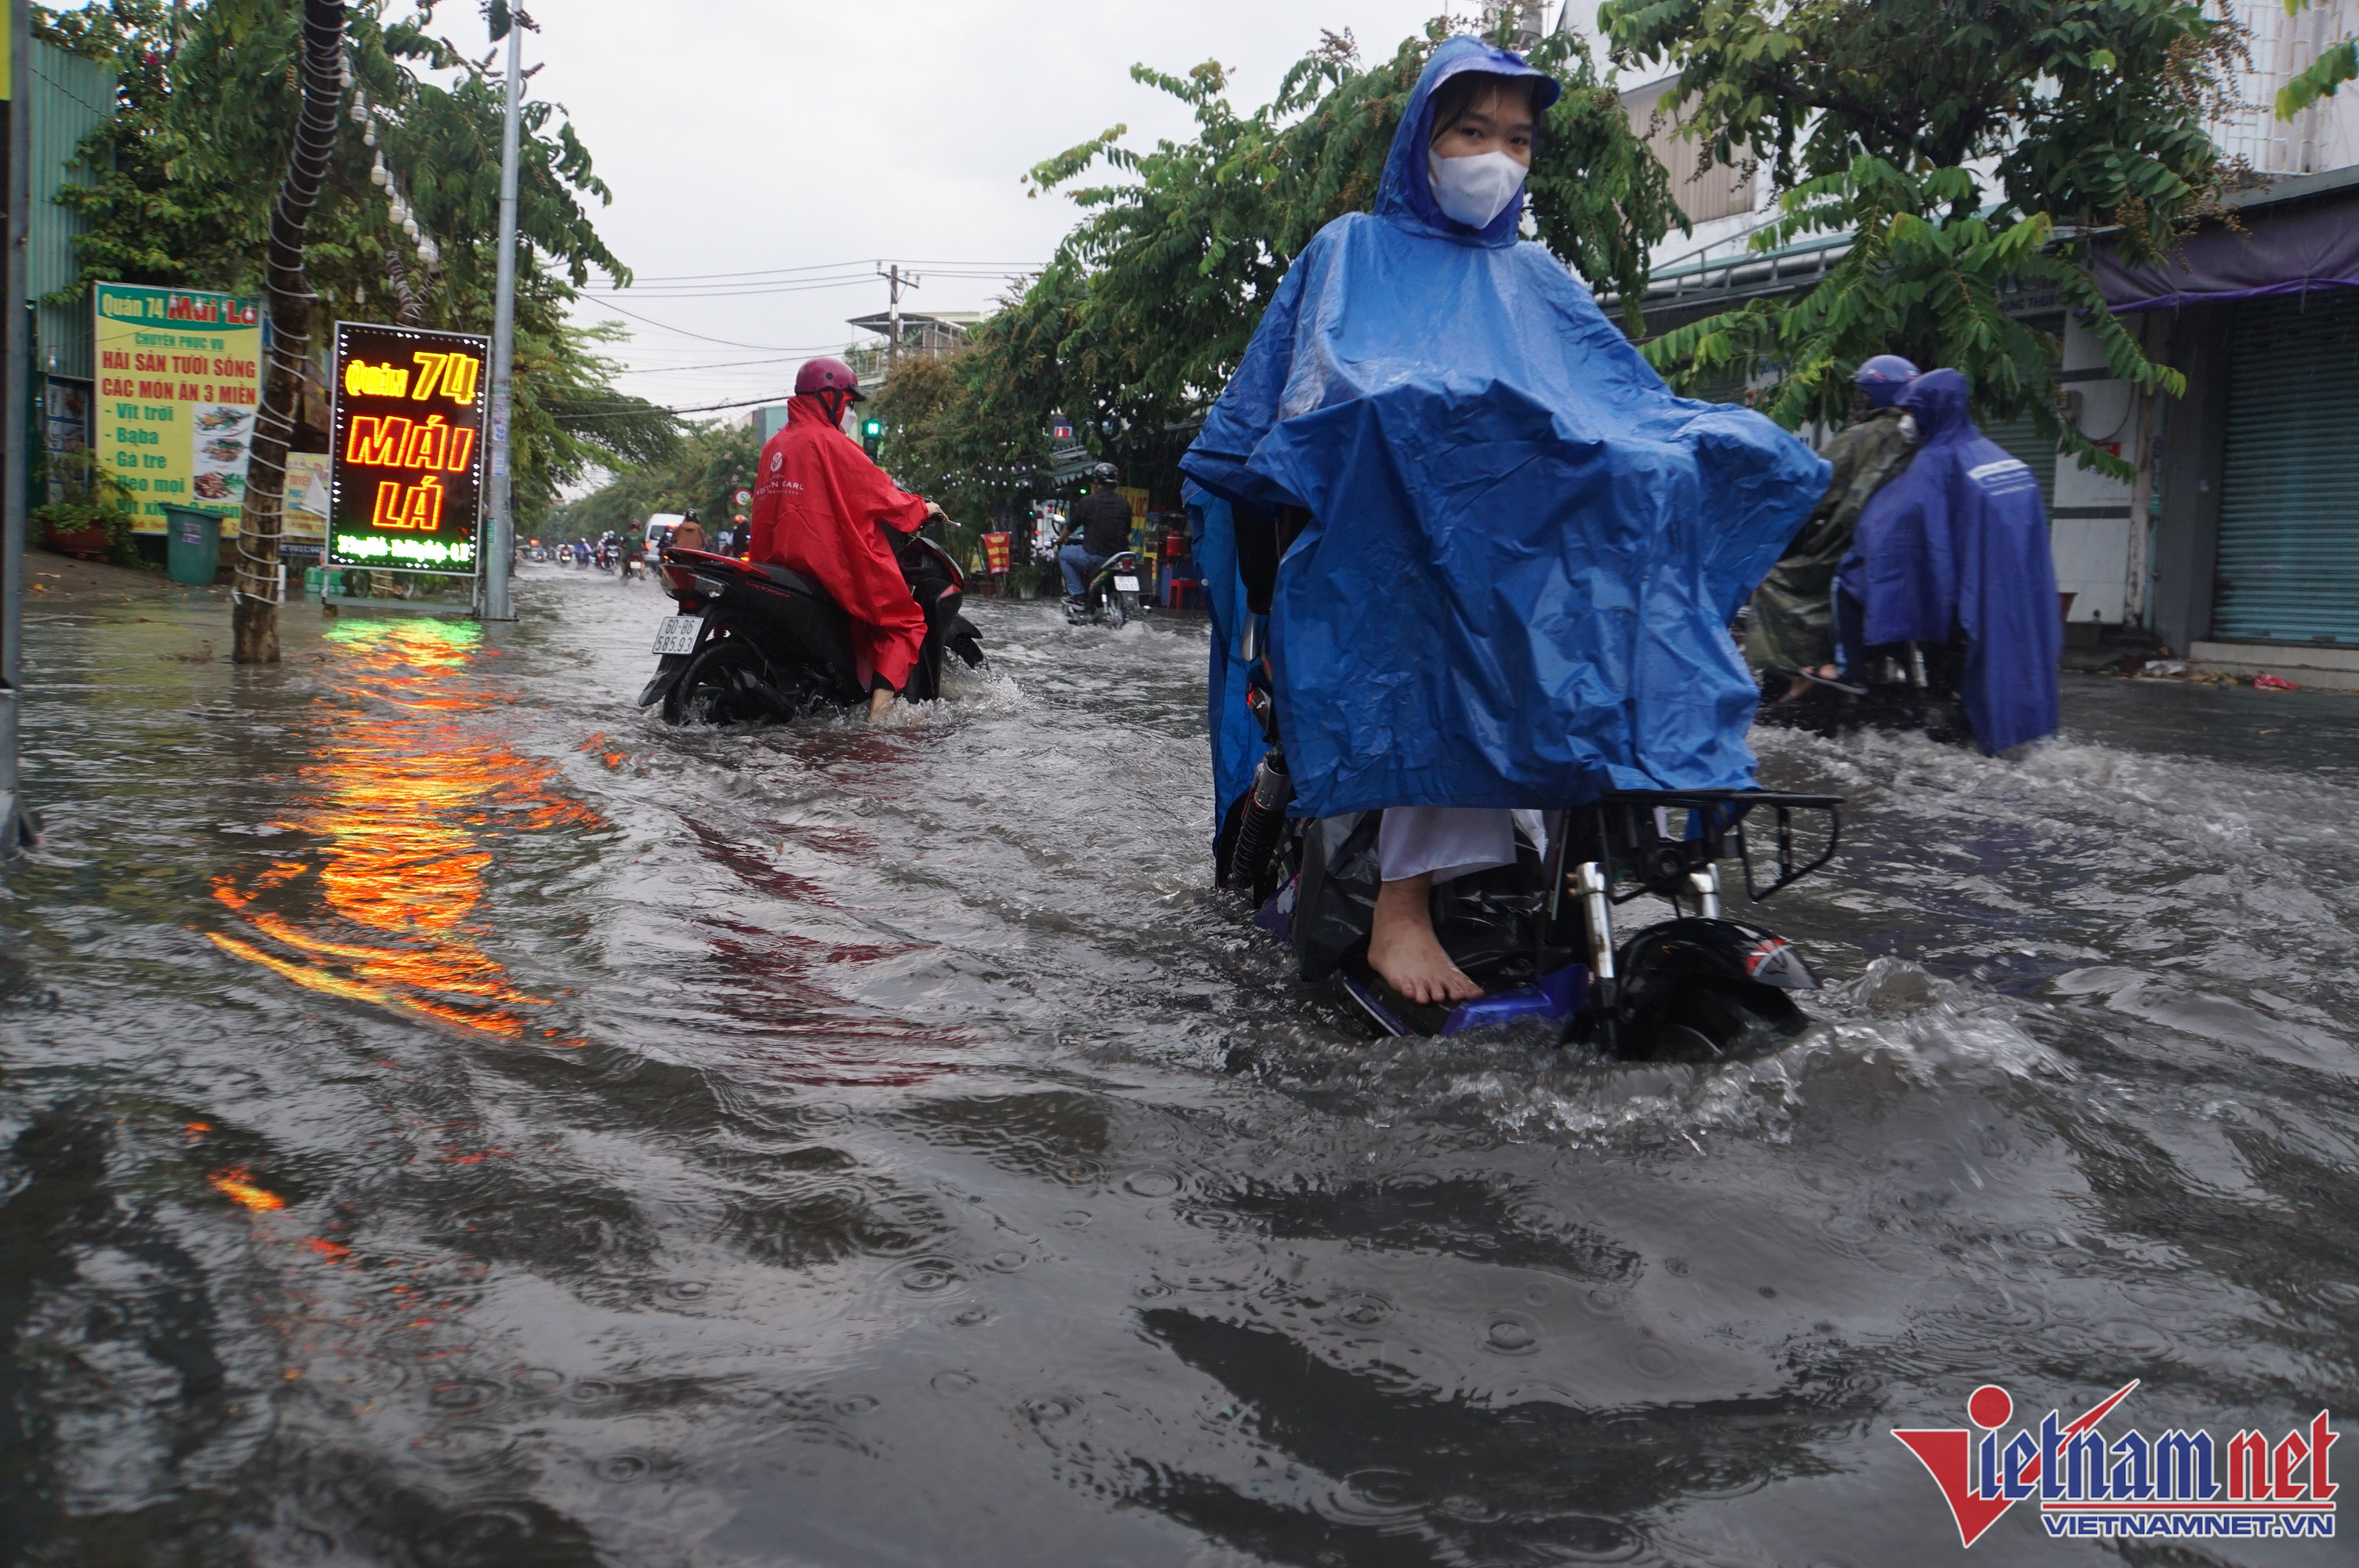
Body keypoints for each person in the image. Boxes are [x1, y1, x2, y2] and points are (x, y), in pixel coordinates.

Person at [1181, 37, 1826, 1007]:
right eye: (1473, 130)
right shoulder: (1349, 251)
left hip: (1523, 575)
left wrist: (1692, 449)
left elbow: (1617, 409)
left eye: (1518, 139)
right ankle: (1399, 909)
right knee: (1432, 636)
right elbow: (1275, 445)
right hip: (1386, 574)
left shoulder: (1538, 280)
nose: (1497, 156)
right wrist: (1272, 627)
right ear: (1423, 139)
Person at [1834, 368, 2062, 754]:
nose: (1907, 420)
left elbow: (1891, 534)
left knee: (1848, 579)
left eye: (1913, 410)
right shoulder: (2002, 460)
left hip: (1969, 597)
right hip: (2020, 590)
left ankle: (1854, 678)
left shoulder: (1935, 462)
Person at [748, 357, 943, 721]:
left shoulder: (774, 444)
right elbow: (880, 493)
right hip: (826, 564)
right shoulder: (832, 443)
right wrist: (923, 508)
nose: (849, 411)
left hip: (775, 565)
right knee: (906, 622)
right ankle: (879, 720)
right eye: (848, 402)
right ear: (828, 397)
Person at [1748, 354, 1920, 705]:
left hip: (1851, 551)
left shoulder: (1858, 439)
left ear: (1872, 397)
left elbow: (1813, 494)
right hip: (1906, 555)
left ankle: (1783, 682)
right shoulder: (1925, 439)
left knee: (1773, 582)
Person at [1059, 463, 1134, 601]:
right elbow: (1127, 530)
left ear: (1096, 481)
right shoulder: (1125, 504)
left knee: (1064, 554)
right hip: (1119, 556)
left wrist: (1060, 539)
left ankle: (1077, 595)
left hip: (1095, 556)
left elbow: (1070, 527)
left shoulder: (1088, 501)